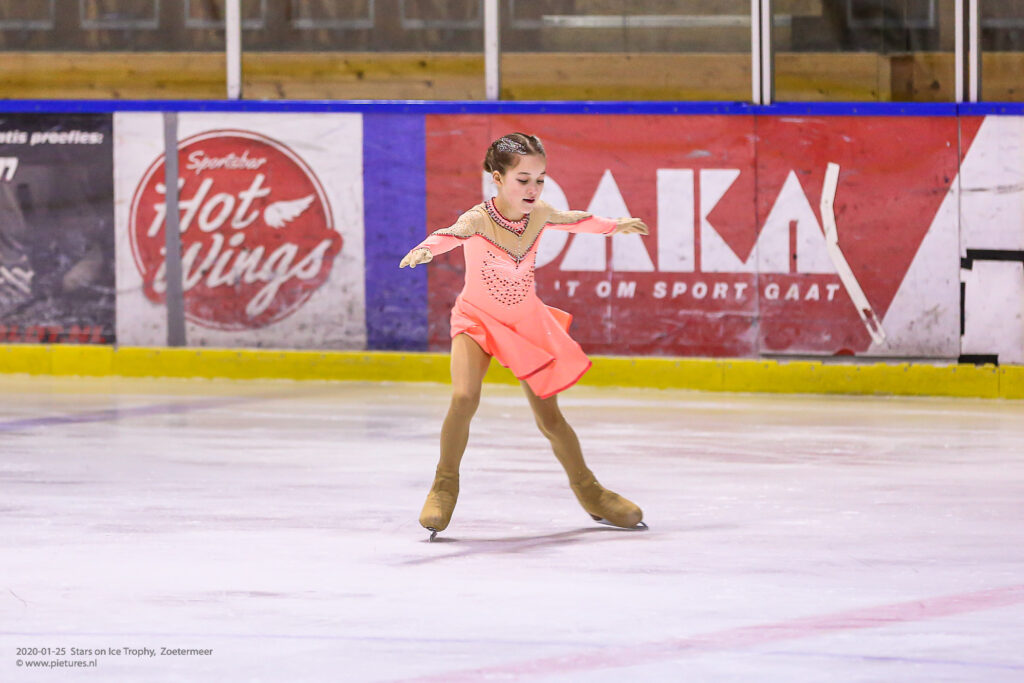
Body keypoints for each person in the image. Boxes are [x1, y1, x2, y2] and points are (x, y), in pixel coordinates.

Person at [399, 132, 649, 540]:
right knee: (464, 397)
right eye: (523, 180)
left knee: (550, 417)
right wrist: (427, 249)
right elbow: (451, 233)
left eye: (540, 179)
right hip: (477, 320)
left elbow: (575, 219)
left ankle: (591, 492)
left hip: (525, 324)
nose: (533, 189)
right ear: (496, 178)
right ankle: (444, 484)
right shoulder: (478, 218)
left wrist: (613, 226)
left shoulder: (539, 213)